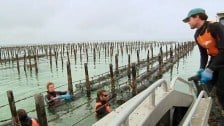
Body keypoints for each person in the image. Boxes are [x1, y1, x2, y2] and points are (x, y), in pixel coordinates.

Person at [183, 8, 224, 109]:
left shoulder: (215, 26)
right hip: (215, 59)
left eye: (189, 19)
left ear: (197, 17)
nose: (188, 22)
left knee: (221, 89)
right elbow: (204, 54)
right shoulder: (197, 35)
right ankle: (205, 106)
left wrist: (210, 69)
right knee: (207, 84)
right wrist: (202, 68)